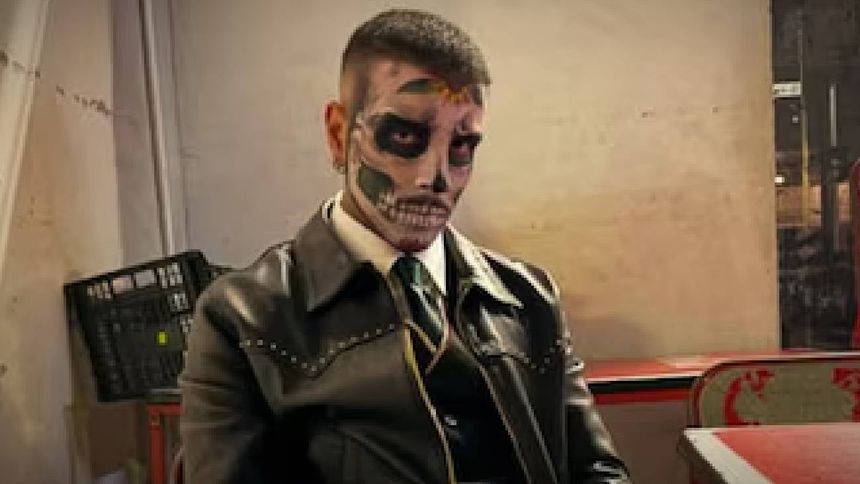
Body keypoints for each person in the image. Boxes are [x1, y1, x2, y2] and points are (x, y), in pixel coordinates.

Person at [180, 8, 630, 484]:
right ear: (338, 134)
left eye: (462, 146)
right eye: (404, 135)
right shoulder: (242, 318)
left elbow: (595, 470)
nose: (436, 178)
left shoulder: (529, 298)